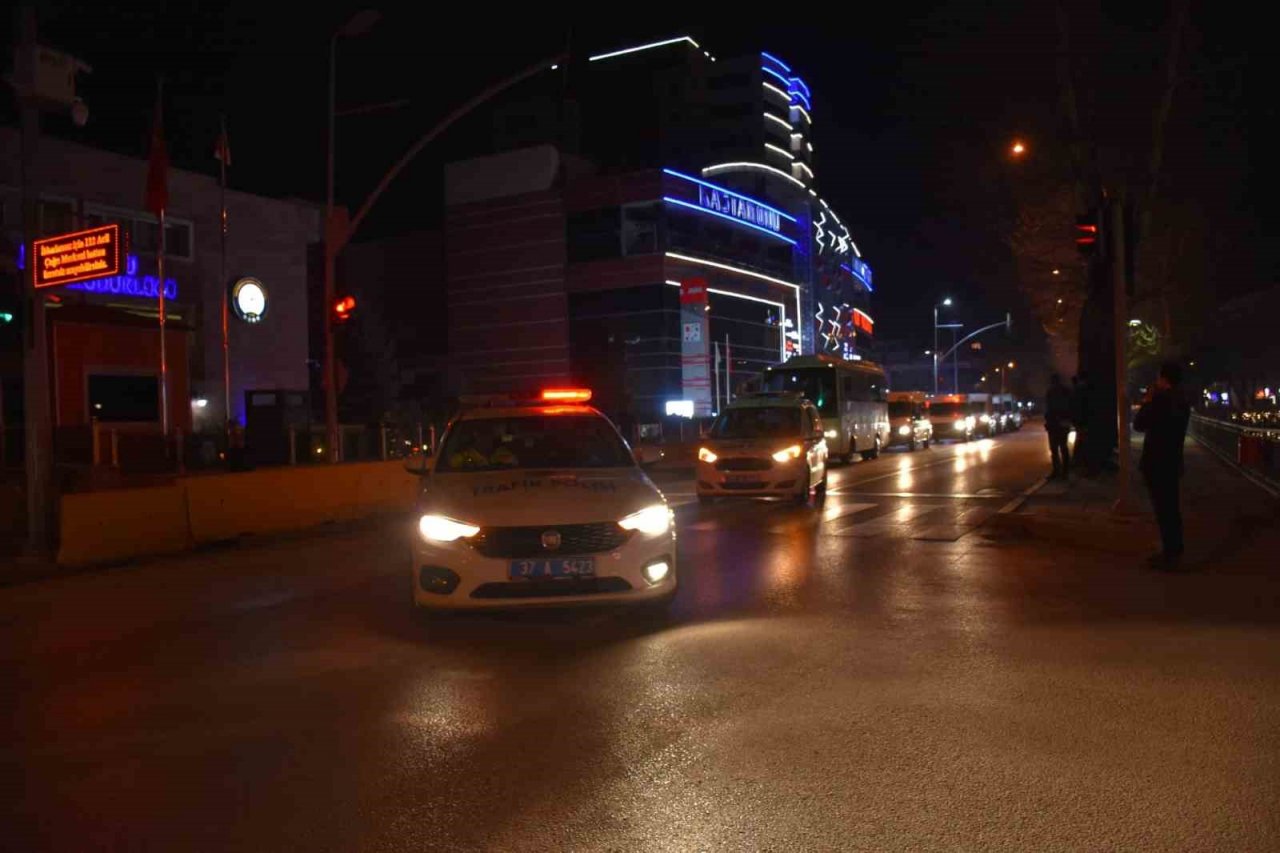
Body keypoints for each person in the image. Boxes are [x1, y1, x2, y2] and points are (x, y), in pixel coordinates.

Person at [1133, 361, 1192, 570]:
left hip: (1156, 461)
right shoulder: (1183, 401)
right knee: (1172, 508)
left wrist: (1148, 401)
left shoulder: (1160, 400)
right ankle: (1175, 549)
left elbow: (1139, 424)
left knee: (1163, 509)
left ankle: (1169, 554)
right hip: (1173, 460)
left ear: (1163, 379)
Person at [1044, 373, 1072, 479]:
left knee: (1055, 449)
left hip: (1054, 424)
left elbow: (1048, 409)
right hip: (1061, 424)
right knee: (1062, 448)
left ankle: (1057, 471)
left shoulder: (1051, 392)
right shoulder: (1066, 391)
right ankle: (1064, 472)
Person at [1069, 374, 1090, 472]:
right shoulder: (1083, 390)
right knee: (1082, 441)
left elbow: (1075, 407)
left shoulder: (1077, 391)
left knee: (1080, 441)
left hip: (1080, 421)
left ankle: (1078, 462)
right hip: (1083, 421)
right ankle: (1081, 463)